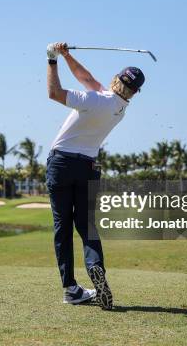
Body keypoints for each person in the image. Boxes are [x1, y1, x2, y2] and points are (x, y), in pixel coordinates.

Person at [45, 42, 145, 310]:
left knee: (62, 228)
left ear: (116, 79)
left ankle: (71, 289)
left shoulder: (94, 99)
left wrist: (51, 59)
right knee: (86, 225)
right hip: (88, 168)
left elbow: (54, 93)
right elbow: (87, 79)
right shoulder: (119, 108)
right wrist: (67, 55)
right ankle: (95, 268)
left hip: (62, 164)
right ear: (135, 92)